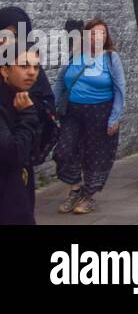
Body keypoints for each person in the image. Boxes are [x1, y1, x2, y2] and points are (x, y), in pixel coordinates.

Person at [53, 18, 125, 216]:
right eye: (93, 33)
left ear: (106, 37)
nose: (97, 37)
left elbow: (120, 90)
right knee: (64, 151)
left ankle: (89, 197)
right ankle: (75, 190)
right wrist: (52, 105)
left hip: (100, 113)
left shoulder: (111, 58)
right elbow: (60, 81)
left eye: (101, 33)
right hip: (73, 112)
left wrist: (114, 118)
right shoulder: (75, 55)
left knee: (95, 157)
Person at [0, 41, 42, 225]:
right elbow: (14, 152)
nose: (32, 72)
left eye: (36, 67)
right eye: (24, 66)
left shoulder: (22, 99)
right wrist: (28, 116)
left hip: (19, 189)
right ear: (5, 71)